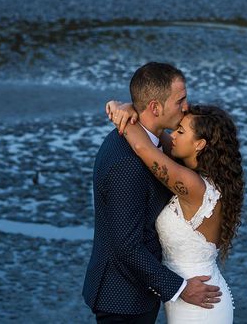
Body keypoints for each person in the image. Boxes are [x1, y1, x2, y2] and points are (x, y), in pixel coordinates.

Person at [83, 62, 223, 323]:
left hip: (138, 292)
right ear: (155, 107)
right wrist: (179, 288)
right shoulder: (128, 162)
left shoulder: (150, 146)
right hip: (122, 298)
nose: (186, 106)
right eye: (180, 99)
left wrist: (124, 107)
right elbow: (127, 246)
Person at [105, 95, 244, 324]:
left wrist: (120, 116)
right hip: (191, 297)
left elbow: (142, 146)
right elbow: (155, 132)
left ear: (200, 144)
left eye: (180, 131)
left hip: (200, 305)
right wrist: (128, 108)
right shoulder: (199, 176)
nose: (173, 136)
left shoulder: (193, 185)